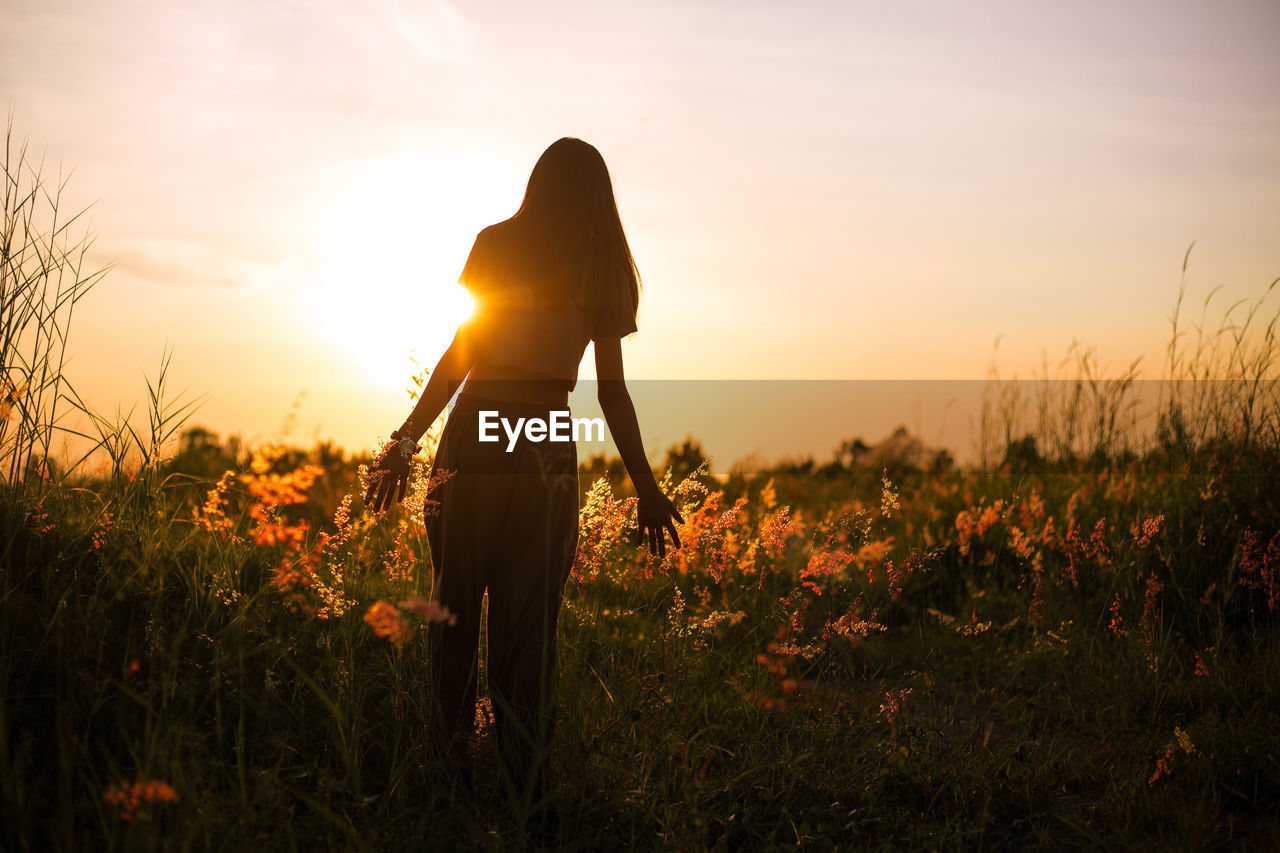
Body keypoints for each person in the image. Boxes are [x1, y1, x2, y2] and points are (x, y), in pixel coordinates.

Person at [363, 137, 683, 824]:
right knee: (528, 630)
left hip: (477, 427)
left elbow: (462, 352)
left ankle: (446, 784)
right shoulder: (605, 267)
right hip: (542, 440)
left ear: (537, 186)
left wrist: (407, 437)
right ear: (599, 195)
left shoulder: (495, 243)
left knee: (451, 611)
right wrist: (646, 489)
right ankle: (524, 795)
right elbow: (613, 395)